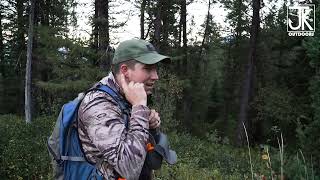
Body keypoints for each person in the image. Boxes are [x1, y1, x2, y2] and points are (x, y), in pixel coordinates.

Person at [77, 39, 170, 180]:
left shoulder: (125, 96)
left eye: (156, 69)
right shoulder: (98, 104)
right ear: (125, 71)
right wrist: (139, 108)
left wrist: (148, 123)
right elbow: (129, 168)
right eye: (148, 68)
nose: (156, 76)